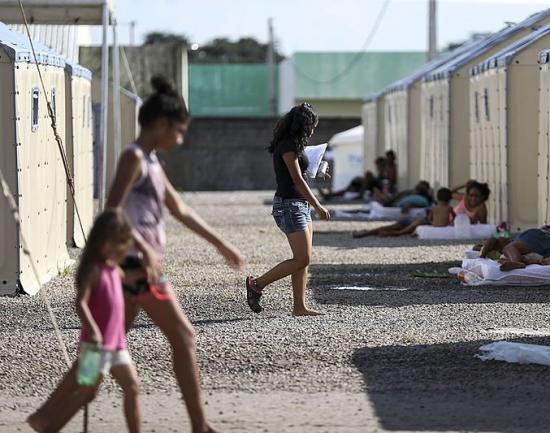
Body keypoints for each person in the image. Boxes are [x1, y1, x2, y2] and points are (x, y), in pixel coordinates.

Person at [107, 76, 246, 433]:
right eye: (180, 132)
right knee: (183, 336)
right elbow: (113, 213)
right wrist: (142, 249)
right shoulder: (133, 157)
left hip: (137, 265)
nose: (180, 140)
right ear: (162, 124)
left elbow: (181, 208)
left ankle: (56, 411)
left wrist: (220, 243)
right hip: (135, 265)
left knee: (106, 344)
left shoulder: (152, 163)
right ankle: (200, 425)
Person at [28, 209, 142, 433]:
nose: (115, 247)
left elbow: (128, 285)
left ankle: (43, 419)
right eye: (110, 242)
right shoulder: (93, 270)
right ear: (99, 240)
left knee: (132, 387)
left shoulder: (115, 271)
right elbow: (80, 303)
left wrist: (144, 274)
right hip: (94, 346)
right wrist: (93, 330)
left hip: (117, 346)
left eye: (120, 242)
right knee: (85, 391)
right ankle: (47, 423)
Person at [245, 103, 331, 316]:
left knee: (302, 259)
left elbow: (301, 174)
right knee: (303, 258)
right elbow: (296, 179)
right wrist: (318, 205)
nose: (312, 131)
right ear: (304, 124)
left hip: (298, 204)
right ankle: (257, 284)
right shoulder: (288, 145)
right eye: (312, 127)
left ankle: (299, 307)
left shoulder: (296, 145)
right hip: (289, 205)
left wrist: (317, 170)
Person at [352, 187, 454, 238]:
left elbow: (429, 216)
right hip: (417, 221)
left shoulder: (429, 203)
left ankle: (367, 233)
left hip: (417, 220)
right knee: (396, 228)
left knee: (393, 227)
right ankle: (367, 233)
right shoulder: (437, 205)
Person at [478, 224, 550, 271]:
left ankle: (517, 262)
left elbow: (492, 240)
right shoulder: (509, 248)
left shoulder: (509, 244)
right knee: (526, 258)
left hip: (542, 240)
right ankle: (518, 262)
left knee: (508, 248)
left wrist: (481, 257)